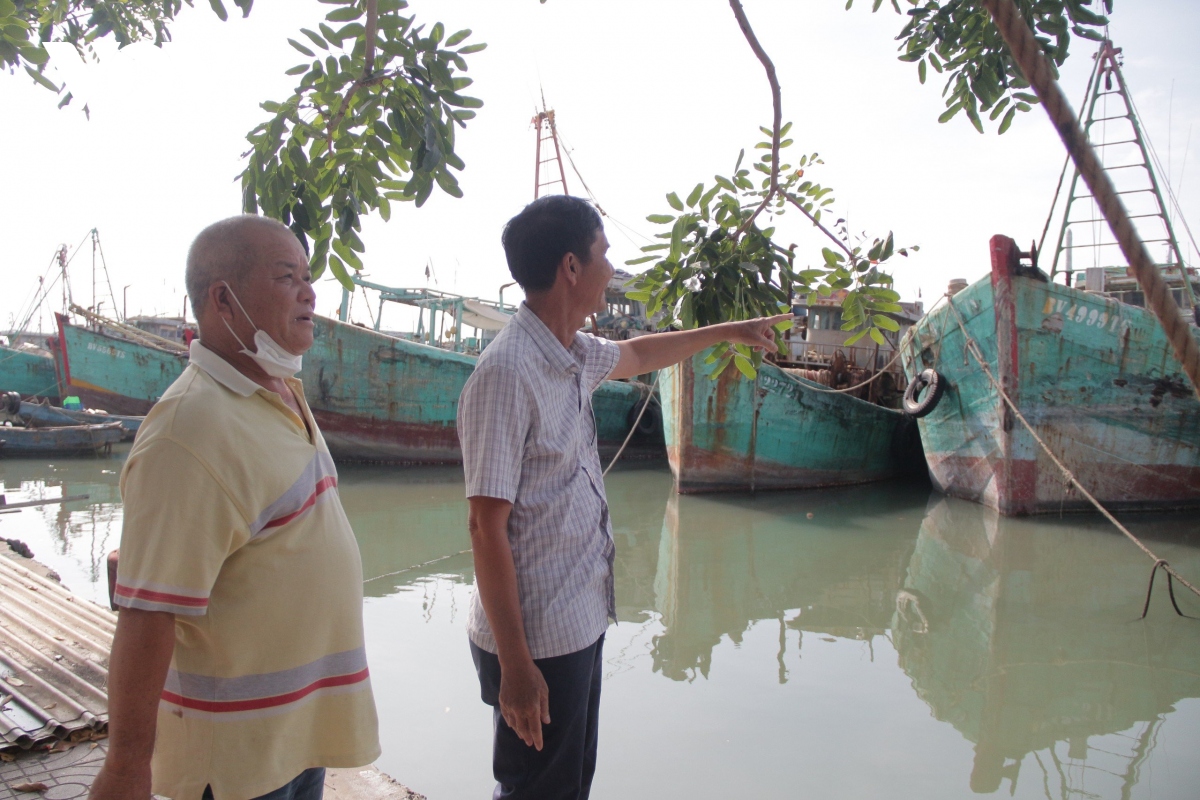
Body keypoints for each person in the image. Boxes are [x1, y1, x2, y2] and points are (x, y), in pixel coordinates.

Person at [458, 195, 788, 799]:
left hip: (577, 620)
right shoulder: (506, 374)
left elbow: (638, 354)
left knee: (570, 781)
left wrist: (731, 332)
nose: (613, 267)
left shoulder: (572, 353)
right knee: (536, 788)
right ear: (571, 268)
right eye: (604, 253)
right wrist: (516, 667)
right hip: (535, 641)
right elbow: (485, 528)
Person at [89, 215, 380, 800]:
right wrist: (125, 769)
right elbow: (148, 615)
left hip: (298, 735)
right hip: (234, 760)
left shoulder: (278, 386)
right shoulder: (188, 430)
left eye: (306, 275)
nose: (309, 292)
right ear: (224, 299)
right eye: (286, 277)